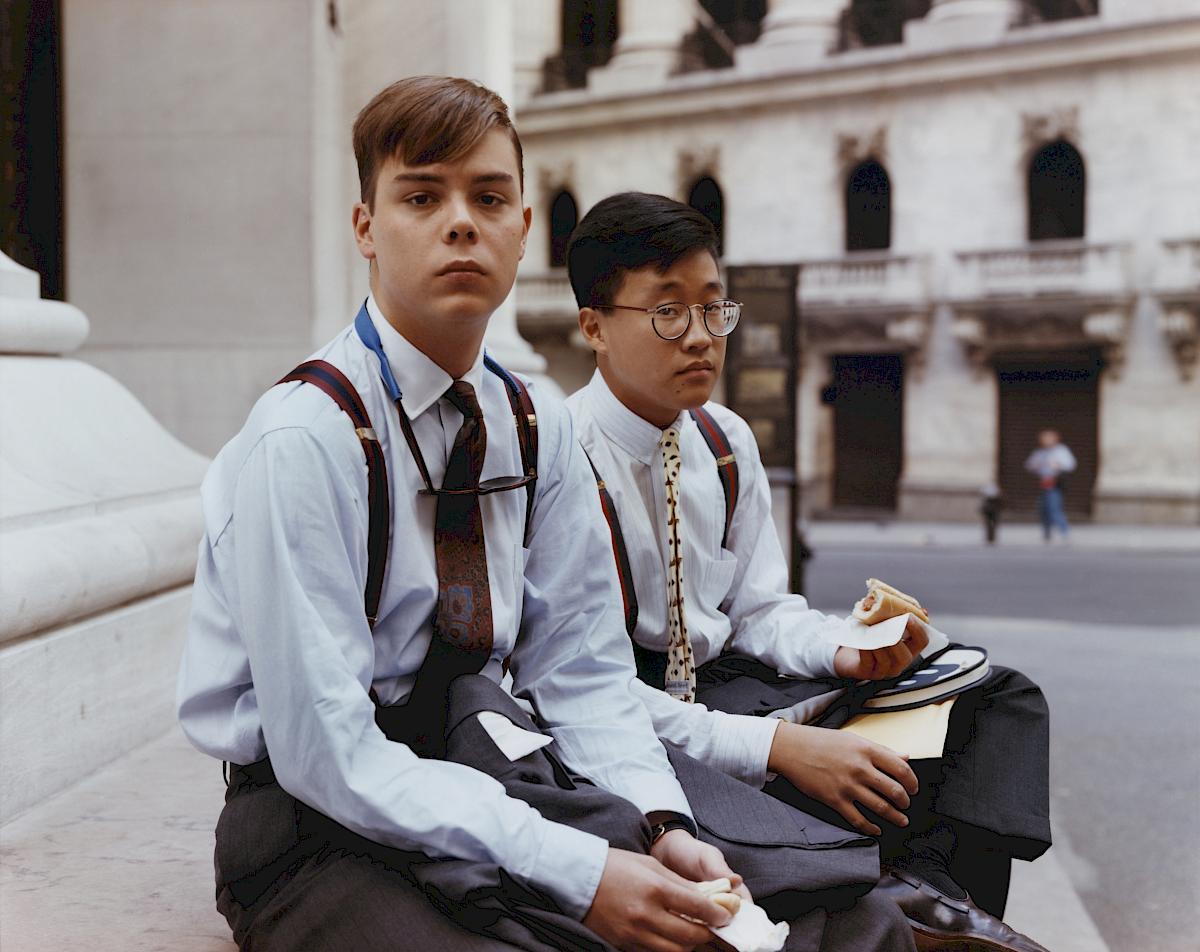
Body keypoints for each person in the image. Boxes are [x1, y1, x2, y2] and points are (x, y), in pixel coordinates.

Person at [176, 79, 912, 952]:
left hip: (479, 752)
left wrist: (657, 825)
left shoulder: (533, 424)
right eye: (421, 195)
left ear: (526, 232)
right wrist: (583, 870)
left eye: (488, 198)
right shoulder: (305, 438)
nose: (460, 222)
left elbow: (581, 673)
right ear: (366, 228)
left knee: (797, 914)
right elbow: (327, 755)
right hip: (312, 822)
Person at [564, 191, 1054, 952]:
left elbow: (761, 610)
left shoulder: (724, 440)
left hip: (734, 684)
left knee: (987, 696)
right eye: (667, 312)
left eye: (713, 308)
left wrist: (844, 650)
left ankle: (951, 903)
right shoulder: (560, 460)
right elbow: (584, 694)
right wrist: (784, 748)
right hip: (633, 716)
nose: (700, 337)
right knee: (751, 800)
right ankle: (900, 906)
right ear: (594, 326)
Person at [1025, 429, 1076, 542]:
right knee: (1043, 509)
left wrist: (1058, 465)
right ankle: (1046, 532)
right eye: (1044, 439)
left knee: (1054, 508)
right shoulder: (1040, 452)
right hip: (1043, 482)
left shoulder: (1061, 451)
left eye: (1049, 438)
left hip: (1055, 483)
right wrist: (1035, 466)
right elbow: (1029, 465)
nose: (1046, 441)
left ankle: (1064, 531)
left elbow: (1070, 464)